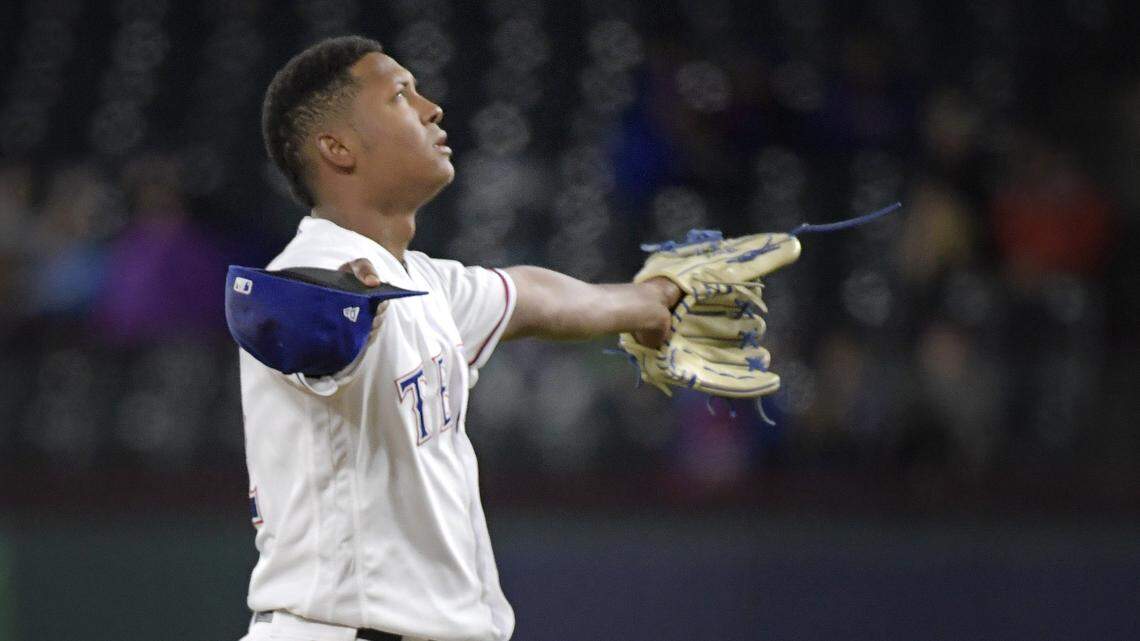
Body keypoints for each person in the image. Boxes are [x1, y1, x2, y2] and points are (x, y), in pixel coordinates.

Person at [238, 35, 680, 641]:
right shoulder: (321, 270)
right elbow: (288, 312)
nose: (431, 107)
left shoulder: (421, 284)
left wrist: (648, 302)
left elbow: (531, 297)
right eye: (399, 95)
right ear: (336, 147)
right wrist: (337, 299)